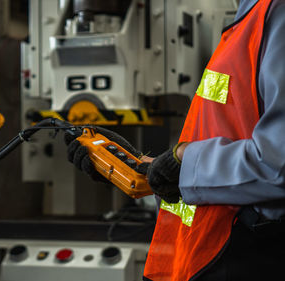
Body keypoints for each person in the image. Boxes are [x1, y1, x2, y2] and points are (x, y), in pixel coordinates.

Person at [65, 0, 285, 280]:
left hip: (249, 255)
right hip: (208, 255)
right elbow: (223, 134)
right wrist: (142, 167)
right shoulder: (247, 23)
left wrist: (182, 163)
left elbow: (278, 165)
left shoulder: (275, 14)